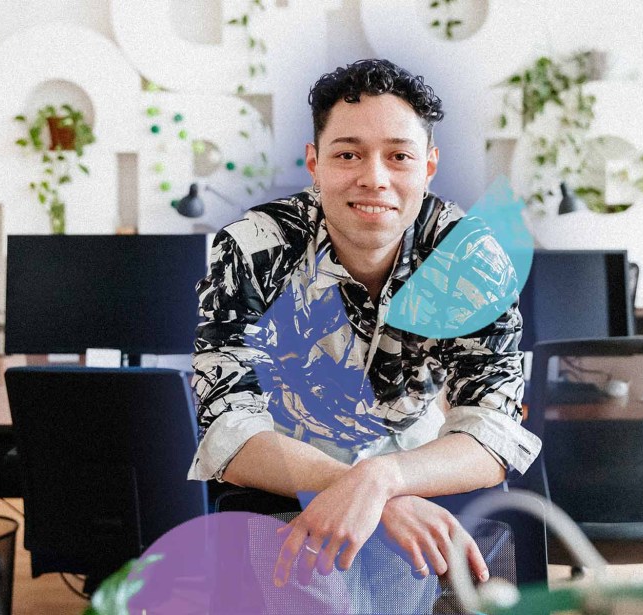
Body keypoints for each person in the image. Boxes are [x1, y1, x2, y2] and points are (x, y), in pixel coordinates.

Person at [187, 58, 541, 601]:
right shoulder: (254, 247)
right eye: (348, 154)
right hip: (286, 472)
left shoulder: (469, 257)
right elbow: (228, 429)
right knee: (317, 581)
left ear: (428, 166)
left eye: (398, 156)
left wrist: (384, 482)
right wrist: (371, 496)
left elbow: (492, 434)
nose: (373, 177)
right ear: (315, 163)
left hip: (422, 471)